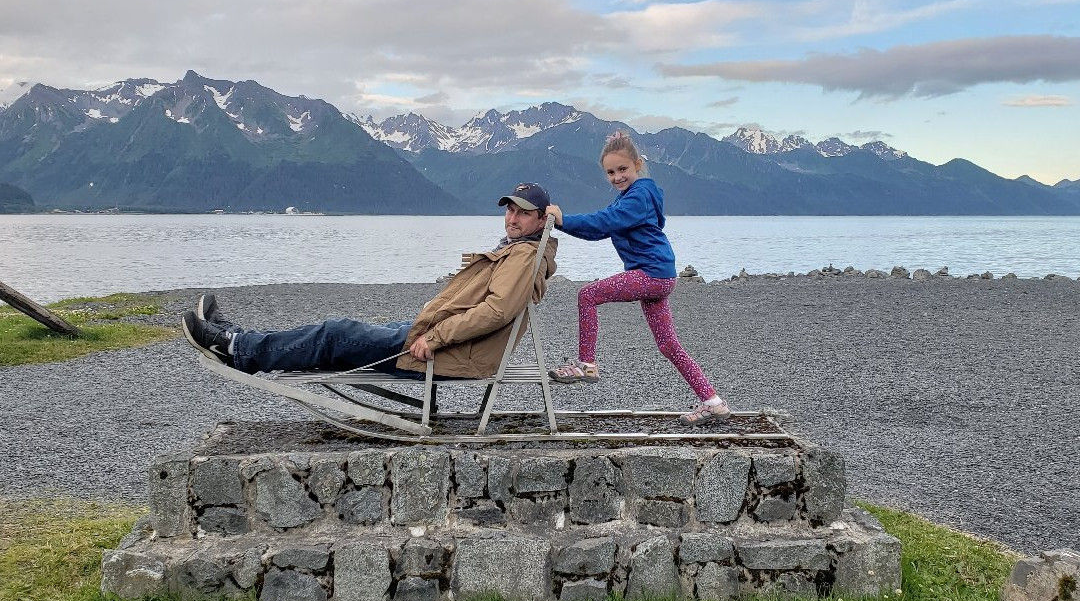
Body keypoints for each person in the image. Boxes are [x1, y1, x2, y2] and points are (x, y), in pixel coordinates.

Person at [182, 183, 557, 379]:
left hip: (452, 352)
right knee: (343, 332)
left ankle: (237, 348)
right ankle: (243, 339)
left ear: (540, 219)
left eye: (523, 213)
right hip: (451, 342)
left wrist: (436, 336)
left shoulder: (523, 255)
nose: (512, 218)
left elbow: (496, 310)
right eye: (509, 209)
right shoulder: (518, 248)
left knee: (335, 334)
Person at [544, 132, 730, 426]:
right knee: (669, 346)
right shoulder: (631, 198)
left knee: (587, 295)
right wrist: (564, 224)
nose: (617, 176)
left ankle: (586, 364)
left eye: (623, 169)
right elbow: (600, 227)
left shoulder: (640, 195)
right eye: (610, 172)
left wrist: (563, 219)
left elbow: (605, 222)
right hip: (659, 276)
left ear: (638, 165)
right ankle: (713, 402)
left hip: (651, 275)